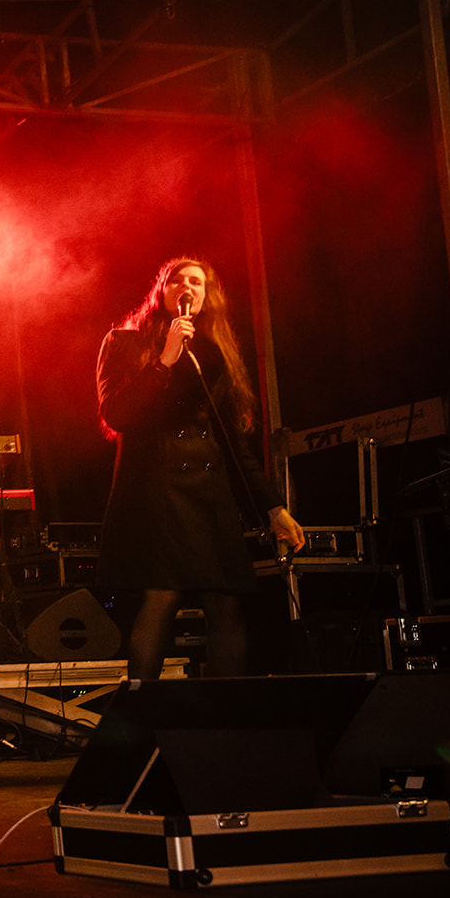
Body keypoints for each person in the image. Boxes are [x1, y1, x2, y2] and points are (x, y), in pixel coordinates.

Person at [96, 256, 306, 680]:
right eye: (177, 280)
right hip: (160, 492)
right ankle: (142, 707)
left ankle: (224, 710)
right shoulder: (124, 342)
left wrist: (273, 507)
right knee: (162, 597)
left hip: (210, 494)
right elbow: (116, 414)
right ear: (161, 292)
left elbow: (233, 442)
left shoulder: (215, 352)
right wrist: (164, 360)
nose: (187, 287)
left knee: (226, 603)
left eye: (197, 282)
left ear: (207, 297)